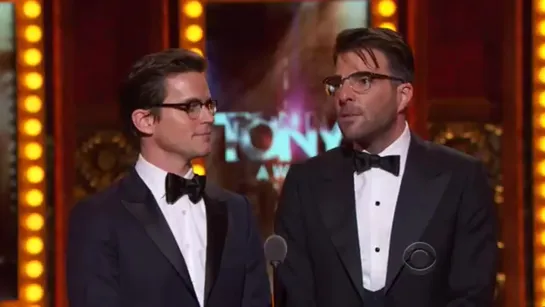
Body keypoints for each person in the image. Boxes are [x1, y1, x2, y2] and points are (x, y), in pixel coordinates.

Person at [275, 28, 498, 307]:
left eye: (363, 80)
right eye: (338, 83)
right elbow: (295, 295)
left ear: (403, 95)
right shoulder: (304, 183)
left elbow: (472, 295)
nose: (343, 95)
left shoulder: (460, 178)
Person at [66, 49, 270, 307]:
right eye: (191, 107)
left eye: (209, 105)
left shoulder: (236, 212)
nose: (208, 117)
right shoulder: (98, 218)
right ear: (145, 121)